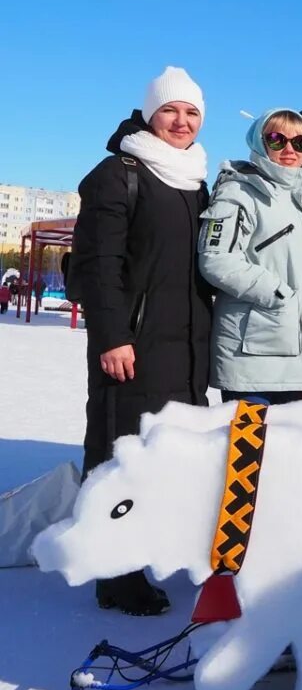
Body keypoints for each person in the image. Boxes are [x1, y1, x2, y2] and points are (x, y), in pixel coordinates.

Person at [71, 66, 213, 615]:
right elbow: (97, 262)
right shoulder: (118, 173)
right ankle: (114, 574)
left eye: (192, 112)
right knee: (118, 453)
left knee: (166, 458)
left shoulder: (195, 179)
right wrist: (111, 336)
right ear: (151, 113)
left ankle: (143, 554)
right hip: (132, 346)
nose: (181, 121)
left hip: (187, 348)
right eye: (171, 110)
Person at [198, 109, 302, 405]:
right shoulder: (239, 190)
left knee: (285, 450)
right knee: (248, 449)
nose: (289, 149)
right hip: (253, 354)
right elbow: (215, 259)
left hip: (299, 353)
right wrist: (278, 292)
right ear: (260, 141)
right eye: (276, 139)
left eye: (300, 142)